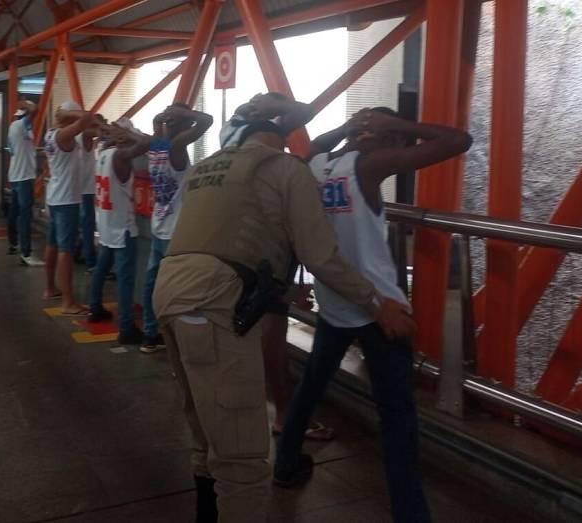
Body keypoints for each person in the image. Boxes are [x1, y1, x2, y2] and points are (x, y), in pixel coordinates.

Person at [152, 119, 416, 522]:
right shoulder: (286, 169)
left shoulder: (210, 165)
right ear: (280, 142)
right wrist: (378, 305)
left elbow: (232, 235)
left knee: (204, 430)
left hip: (169, 290)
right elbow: (320, 255)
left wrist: (284, 290)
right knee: (241, 453)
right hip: (212, 303)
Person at [274, 108, 472, 522]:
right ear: (385, 138)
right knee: (397, 415)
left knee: (311, 387)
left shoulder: (319, 165)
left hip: (335, 299)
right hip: (381, 309)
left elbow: (311, 148)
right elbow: (458, 140)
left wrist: (348, 130)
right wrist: (400, 127)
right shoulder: (368, 165)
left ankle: (286, 463)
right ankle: (410, 514)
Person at [220, 93, 336, 440]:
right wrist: (273, 108)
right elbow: (306, 112)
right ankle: (285, 413)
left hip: (237, 238)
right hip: (264, 243)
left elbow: (308, 144)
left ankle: (241, 406)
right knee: (272, 330)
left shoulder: (233, 130)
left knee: (243, 326)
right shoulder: (251, 128)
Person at [141, 103, 212, 353]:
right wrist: (186, 115)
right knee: (180, 289)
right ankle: (180, 341)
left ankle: (151, 334)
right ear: (184, 127)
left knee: (153, 284)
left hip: (158, 224)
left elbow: (159, 130)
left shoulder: (156, 146)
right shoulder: (176, 148)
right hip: (176, 232)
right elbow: (208, 120)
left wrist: (160, 120)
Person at [86, 119, 151, 344]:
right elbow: (147, 143)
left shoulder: (102, 154)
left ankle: (94, 306)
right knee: (125, 279)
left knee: (102, 267)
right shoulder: (121, 157)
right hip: (122, 226)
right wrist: (130, 135)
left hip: (105, 222)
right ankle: (126, 327)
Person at [43, 100, 95, 315]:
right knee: (66, 250)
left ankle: (50, 288)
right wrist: (76, 115)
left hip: (55, 197)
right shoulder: (62, 136)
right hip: (66, 201)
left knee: (53, 244)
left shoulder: (49, 134)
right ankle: (67, 301)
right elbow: (86, 118)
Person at [6, 100, 44, 266]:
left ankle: (13, 243)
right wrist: (27, 103)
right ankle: (26, 253)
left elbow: (23, 148)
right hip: (23, 177)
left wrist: (39, 150)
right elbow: (35, 109)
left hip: (17, 175)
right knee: (25, 214)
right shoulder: (19, 125)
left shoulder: (17, 129)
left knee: (15, 211)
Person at [77, 115, 104, 271]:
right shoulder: (84, 136)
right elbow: (94, 133)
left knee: (84, 225)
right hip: (86, 190)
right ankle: (91, 261)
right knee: (88, 226)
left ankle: (81, 253)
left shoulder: (79, 138)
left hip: (80, 188)